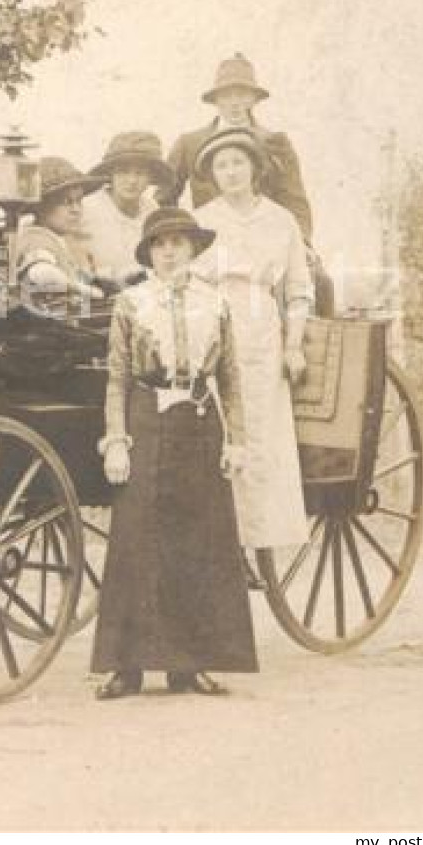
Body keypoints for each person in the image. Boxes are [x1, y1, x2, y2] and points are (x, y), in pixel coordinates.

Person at [93, 207, 257, 699]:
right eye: (160, 244)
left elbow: (229, 377)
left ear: (192, 249)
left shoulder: (216, 303)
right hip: (147, 419)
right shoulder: (132, 303)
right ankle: (127, 668)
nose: (169, 251)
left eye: (178, 243)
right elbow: (118, 377)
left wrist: (237, 440)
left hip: (200, 425)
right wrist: (117, 440)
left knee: (198, 541)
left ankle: (192, 666)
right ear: (149, 253)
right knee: (138, 540)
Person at [192, 126, 313, 554]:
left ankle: (260, 539)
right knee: (218, 433)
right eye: (221, 166)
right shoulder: (202, 220)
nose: (230, 172)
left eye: (237, 162)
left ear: (255, 168)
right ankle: (221, 546)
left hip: (263, 333)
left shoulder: (281, 221)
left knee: (260, 436)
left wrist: (294, 344)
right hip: (210, 326)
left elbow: (298, 289)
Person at [165, 54, 314, 242]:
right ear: (216, 100)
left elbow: (295, 203)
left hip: (265, 243)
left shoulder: (275, 143)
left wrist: (301, 244)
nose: (234, 103)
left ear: (254, 99)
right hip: (211, 245)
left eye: (242, 94)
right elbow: (164, 198)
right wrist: (180, 239)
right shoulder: (190, 143)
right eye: (226, 95)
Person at [13, 156, 107, 312]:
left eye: (79, 201)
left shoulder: (53, 238)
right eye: (67, 202)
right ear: (41, 206)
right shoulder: (35, 238)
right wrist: (87, 291)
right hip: (44, 328)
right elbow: (41, 274)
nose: (76, 210)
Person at [83, 131, 173, 285]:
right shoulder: (86, 208)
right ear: (111, 174)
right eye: (123, 172)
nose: (132, 181)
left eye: (140, 173)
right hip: (97, 296)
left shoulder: (152, 210)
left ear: (151, 178)